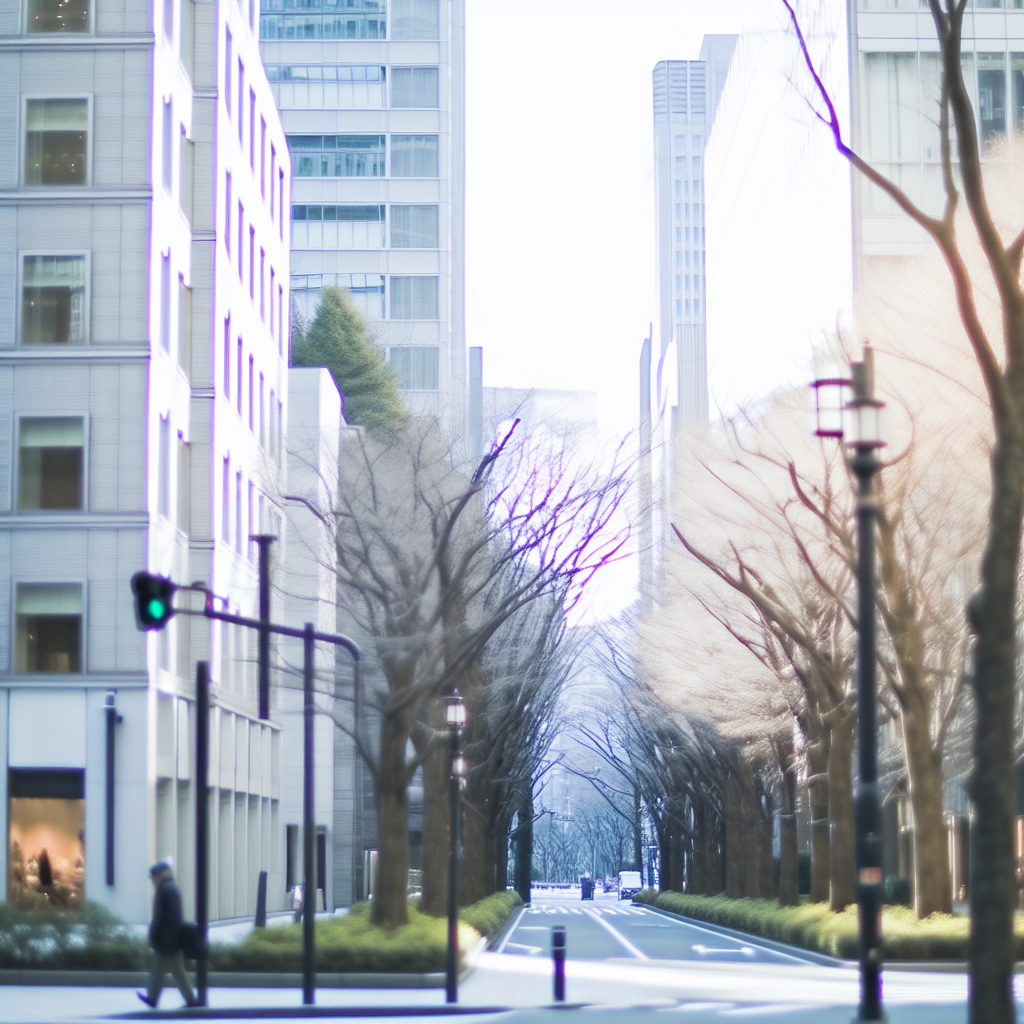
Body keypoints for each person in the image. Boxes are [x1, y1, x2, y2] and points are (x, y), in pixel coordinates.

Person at [137, 858, 197, 1008]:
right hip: (169, 938)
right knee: (162, 969)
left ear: (160, 876)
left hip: (168, 939)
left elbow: (164, 918)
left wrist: (157, 935)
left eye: (153, 877)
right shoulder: (170, 888)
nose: (152, 880)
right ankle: (153, 998)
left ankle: (189, 1000)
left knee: (176, 971)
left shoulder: (165, 890)